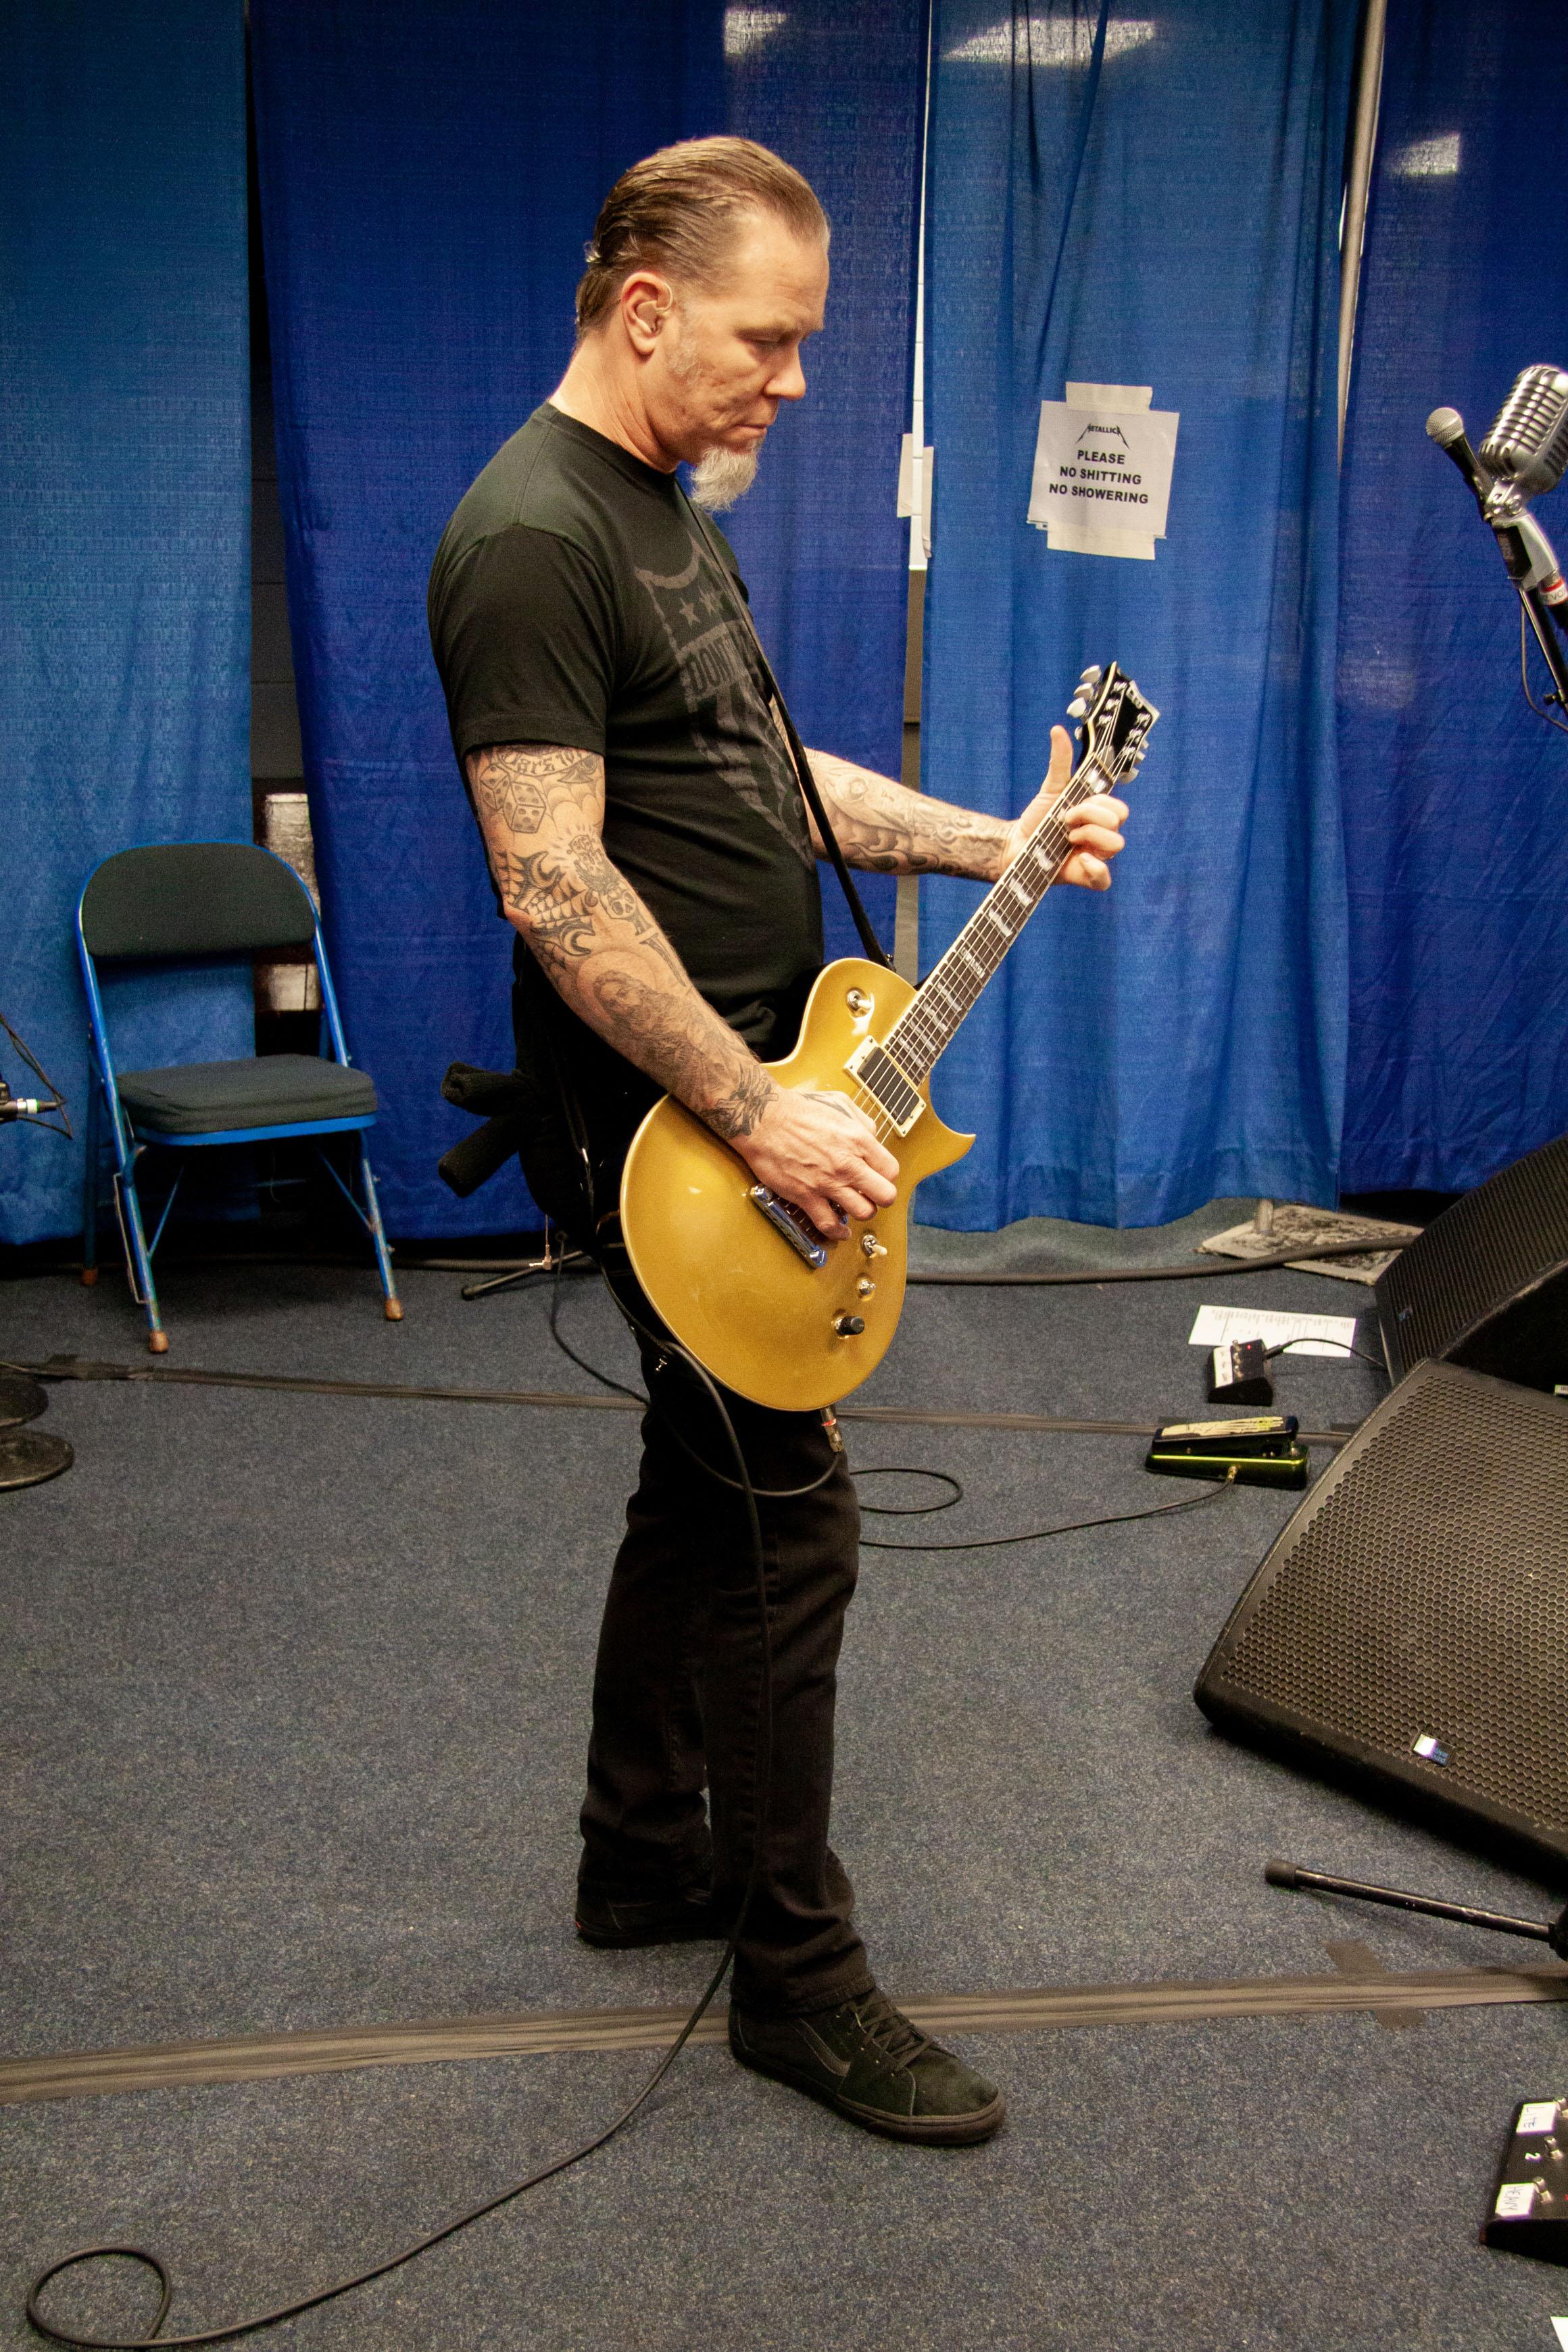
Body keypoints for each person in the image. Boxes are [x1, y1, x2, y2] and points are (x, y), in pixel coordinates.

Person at [428, 136, 1127, 2147]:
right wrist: (750, 1108)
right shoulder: (529, 535)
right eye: (769, 338)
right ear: (648, 309)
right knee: (787, 1521)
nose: (795, 381)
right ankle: (797, 1982)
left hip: (757, 1098)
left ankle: (641, 1850)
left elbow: (760, 769)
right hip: (676, 1133)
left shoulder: (660, 507)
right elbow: (553, 884)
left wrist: (994, 837)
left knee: (702, 1485)